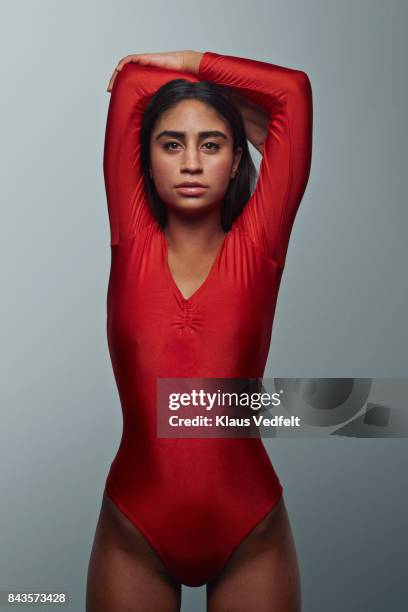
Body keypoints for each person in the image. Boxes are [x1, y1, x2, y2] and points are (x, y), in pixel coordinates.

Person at [86, 49, 313, 612]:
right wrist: (218, 102)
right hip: (135, 529)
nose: (190, 162)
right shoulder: (131, 239)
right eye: (171, 144)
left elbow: (294, 93)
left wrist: (191, 62)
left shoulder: (261, 248)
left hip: (249, 532)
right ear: (147, 158)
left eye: (211, 144)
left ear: (237, 160)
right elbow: (135, 82)